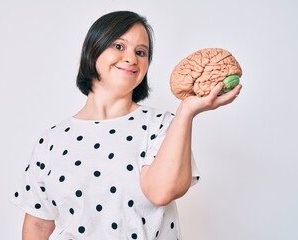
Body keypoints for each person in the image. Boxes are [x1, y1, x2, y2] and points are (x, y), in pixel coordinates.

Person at [12, 10, 242, 239]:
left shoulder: (163, 126)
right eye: (119, 46)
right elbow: (38, 226)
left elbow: (162, 192)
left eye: (141, 52)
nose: (132, 58)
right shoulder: (51, 140)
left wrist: (187, 112)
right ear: (91, 51)